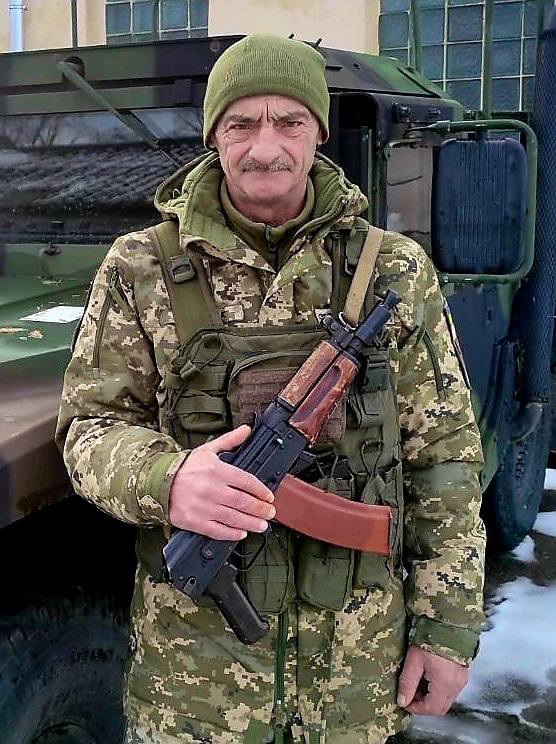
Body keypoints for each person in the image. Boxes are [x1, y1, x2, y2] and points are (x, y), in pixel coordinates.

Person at [56, 34, 486, 744]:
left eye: (289, 122)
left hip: (356, 671)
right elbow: (88, 429)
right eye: (241, 123)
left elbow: (443, 455)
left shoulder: (395, 270)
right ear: (213, 136)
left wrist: (447, 628)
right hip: (196, 682)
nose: (265, 147)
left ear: (318, 131)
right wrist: (168, 479)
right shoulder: (140, 267)